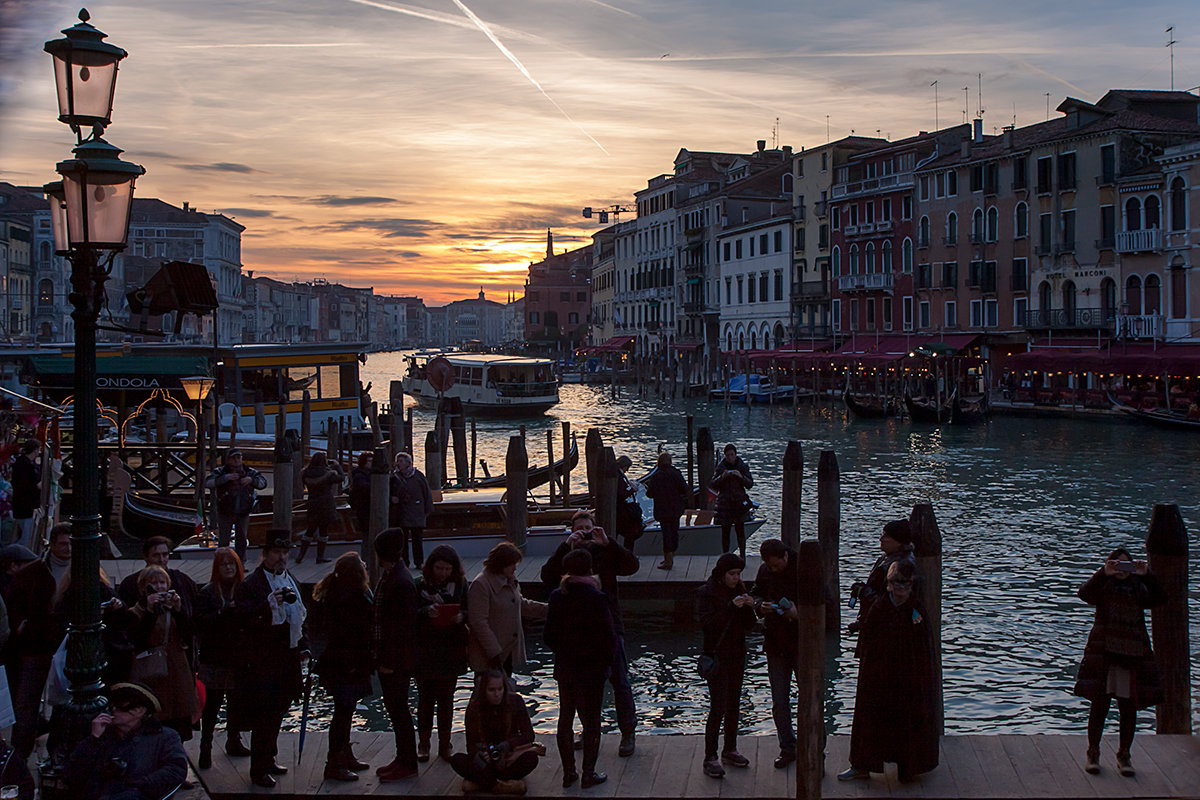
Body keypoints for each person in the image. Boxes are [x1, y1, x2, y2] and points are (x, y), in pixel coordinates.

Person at [540, 510, 639, 757]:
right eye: (579, 528)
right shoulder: (568, 555)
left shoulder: (605, 552)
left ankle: (628, 731)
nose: (583, 532)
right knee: (583, 686)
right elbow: (547, 576)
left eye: (588, 527)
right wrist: (566, 546)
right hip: (577, 631)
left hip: (609, 624)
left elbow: (632, 566)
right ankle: (589, 731)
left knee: (620, 680)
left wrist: (608, 543)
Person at [838, 561, 938, 783]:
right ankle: (862, 765)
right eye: (895, 583)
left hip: (907, 677)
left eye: (905, 584)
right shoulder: (880, 606)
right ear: (889, 585)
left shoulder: (916, 610)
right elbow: (869, 638)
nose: (900, 588)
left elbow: (922, 648)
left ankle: (909, 767)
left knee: (907, 722)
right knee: (870, 720)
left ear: (911, 586)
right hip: (879, 675)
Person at [1072, 547, 1166, 776]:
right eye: (1117, 564)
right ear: (1110, 564)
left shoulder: (1139, 587)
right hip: (1105, 655)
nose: (1122, 570)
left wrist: (1148, 575)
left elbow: (1161, 598)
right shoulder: (1104, 585)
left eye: (1126, 565)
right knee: (1099, 707)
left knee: (1127, 708)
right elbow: (1084, 594)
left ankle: (1124, 755)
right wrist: (1103, 573)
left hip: (1130, 656)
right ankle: (1093, 753)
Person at [232, 530, 307, 789]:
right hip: (262, 661)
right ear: (265, 554)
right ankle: (258, 768)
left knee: (278, 712)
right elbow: (240, 620)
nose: (281, 558)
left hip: (287, 658)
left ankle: (270, 757)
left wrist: (303, 647)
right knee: (263, 715)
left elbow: (299, 619)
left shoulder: (291, 580)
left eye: (285, 553)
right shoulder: (251, 585)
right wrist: (267, 606)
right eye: (276, 553)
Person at [545, 549, 617, 789]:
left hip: (566, 667)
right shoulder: (597, 598)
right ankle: (589, 773)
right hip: (593, 670)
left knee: (565, 718)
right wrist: (607, 662)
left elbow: (548, 636)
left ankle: (569, 773)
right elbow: (609, 638)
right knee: (592, 721)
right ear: (589, 569)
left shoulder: (558, 596)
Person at [5, 523, 70, 757]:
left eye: (72, 543)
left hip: (66, 645)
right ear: (52, 544)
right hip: (36, 645)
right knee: (27, 700)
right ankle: (21, 751)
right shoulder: (31, 573)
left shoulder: (84, 570)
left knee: (65, 702)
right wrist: (21, 626)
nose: (69, 548)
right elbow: (13, 603)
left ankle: (58, 748)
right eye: (63, 543)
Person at [311, 552, 374, 782]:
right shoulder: (351, 597)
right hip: (348, 663)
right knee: (343, 712)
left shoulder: (337, 592)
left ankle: (344, 754)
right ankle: (334, 762)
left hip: (341, 662)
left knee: (345, 711)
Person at [64, 682, 187, 800]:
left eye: (120, 706)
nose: (113, 709)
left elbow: (176, 770)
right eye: (112, 705)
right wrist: (93, 739)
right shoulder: (101, 734)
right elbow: (72, 773)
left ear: (140, 710)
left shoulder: (165, 737)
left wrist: (138, 786)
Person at [696, 552, 757, 779]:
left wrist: (749, 606)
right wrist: (731, 607)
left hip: (737, 654)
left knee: (733, 705)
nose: (735, 578)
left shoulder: (739, 591)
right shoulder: (706, 593)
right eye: (732, 574)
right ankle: (709, 755)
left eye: (738, 574)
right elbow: (707, 624)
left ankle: (730, 749)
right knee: (717, 707)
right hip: (717, 654)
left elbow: (750, 625)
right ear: (722, 574)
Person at [125, 565, 198, 742]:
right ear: (145, 587)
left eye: (162, 582)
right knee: (155, 715)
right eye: (154, 583)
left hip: (176, 671)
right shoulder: (137, 612)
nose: (159, 587)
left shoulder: (172, 610)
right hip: (152, 672)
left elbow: (189, 635)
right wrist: (150, 610)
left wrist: (179, 610)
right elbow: (139, 640)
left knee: (178, 718)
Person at [372, 527, 420, 782]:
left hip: (395, 661)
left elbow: (402, 628)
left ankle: (408, 761)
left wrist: (389, 661)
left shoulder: (399, 582)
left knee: (399, 711)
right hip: (391, 657)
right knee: (396, 710)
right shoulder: (395, 576)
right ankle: (402, 757)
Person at [194, 547, 249, 768]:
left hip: (238, 656)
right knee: (213, 705)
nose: (228, 568)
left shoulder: (244, 590)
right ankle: (205, 746)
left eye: (231, 564)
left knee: (237, 703)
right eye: (224, 564)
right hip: (215, 656)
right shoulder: (208, 593)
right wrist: (223, 613)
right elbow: (199, 624)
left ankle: (233, 740)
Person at [450, 669, 545, 795]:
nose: (497, 694)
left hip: (507, 757)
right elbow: (471, 744)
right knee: (457, 760)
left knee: (531, 759)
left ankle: (482, 784)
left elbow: (528, 735)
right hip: (486, 762)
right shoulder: (474, 708)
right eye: (492, 690)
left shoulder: (516, 701)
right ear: (484, 690)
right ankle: (501, 785)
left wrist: (508, 745)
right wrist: (481, 755)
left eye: (500, 689)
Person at [414, 544, 469, 763]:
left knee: (447, 700)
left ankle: (445, 744)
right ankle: (424, 743)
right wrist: (426, 611)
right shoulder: (418, 585)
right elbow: (410, 613)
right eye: (439, 568)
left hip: (450, 649)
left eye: (447, 569)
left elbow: (468, 609)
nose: (443, 572)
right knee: (425, 700)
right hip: (426, 649)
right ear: (431, 567)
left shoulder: (461, 585)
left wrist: (461, 617)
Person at [753, 538, 804, 769]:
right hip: (775, 642)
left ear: (785, 557)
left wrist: (797, 612)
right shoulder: (765, 571)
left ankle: (815, 747)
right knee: (779, 701)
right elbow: (756, 594)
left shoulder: (804, 568)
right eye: (770, 566)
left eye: (776, 565)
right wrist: (759, 604)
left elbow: (825, 604)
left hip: (802, 643)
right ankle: (787, 747)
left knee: (809, 697)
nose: (773, 570)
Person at [467, 542, 547, 678]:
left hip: (507, 650)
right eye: (512, 564)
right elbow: (478, 622)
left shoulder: (509, 581)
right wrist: (494, 652)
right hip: (491, 654)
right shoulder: (481, 584)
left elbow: (521, 604)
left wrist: (551, 609)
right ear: (501, 564)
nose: (515, 568)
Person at [848, 518, 918, 634]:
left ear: (898, 541)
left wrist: (863, 592)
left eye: (886, 536)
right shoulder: (886, 558)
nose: (881, 539)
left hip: (887, 630)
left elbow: (891, 603)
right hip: (875, 624)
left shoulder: (901, 566)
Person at [117, 536, 198, 620]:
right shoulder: (130, 583)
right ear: (146, 557)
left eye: (165, 554)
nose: (161, 559)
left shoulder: (182, 580)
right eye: (156, 555)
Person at [207, 448, 267, 560]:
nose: (236, 460)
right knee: (224, 540)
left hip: (243, 510)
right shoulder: (220, 471)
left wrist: (251, 480)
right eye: (233, 458)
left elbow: (263, 483)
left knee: (241, 540)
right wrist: (225, 478)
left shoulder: (250, 471)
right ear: (228, 460)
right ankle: (221, 562)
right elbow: (208, 482)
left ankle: (241, 563)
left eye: (238, 457)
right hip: (225, 510)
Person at [642, 450, 690, 570]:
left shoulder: (656, 476)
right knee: (674, 532)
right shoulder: (676, 474)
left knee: (666, 534)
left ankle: (668, 559)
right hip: (675, 509)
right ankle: (671, 556)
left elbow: (649, 494)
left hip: (662, 509)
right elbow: (685, 489)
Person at [299, 451, 344, 564]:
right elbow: (342, 478)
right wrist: (337, 466)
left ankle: (300, 555)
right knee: (323, 530)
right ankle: (320, 557)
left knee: (310, 529)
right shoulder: (328, 474)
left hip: (312, 502)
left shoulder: (305, 473)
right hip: (325, 503)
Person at [390, 451, 434, 567]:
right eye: (397, 461)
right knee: (402, 540)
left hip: (417, 511)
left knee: (417, 539)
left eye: (401, 461)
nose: (398, 464)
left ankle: (418, 562)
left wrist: (428, 509)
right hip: (402, 512)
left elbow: (427, 493)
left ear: (408, 463)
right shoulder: (395, 477)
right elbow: (390, 491)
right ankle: (404, 562)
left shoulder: (418, 476)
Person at [710, 444, 753, 561]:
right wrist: (722, 477)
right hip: (725, 505)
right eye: (727, 455)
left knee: (740, 531)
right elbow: (713, 484)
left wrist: (741, 477)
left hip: (738, 503)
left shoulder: (742, 466)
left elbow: (750, 484)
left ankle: (742, 555)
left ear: (735, 454)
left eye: (731, 455)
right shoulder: (721, 467)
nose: (730, 457)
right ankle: (726, 556)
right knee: (725, 532)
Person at [9, 441, 40, 549]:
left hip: (25, 504)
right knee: (25, 534)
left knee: (26, 531)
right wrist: (36, 486)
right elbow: (22, 485)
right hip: (25, 504)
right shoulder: (24, 464)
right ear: (35, 450)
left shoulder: (25, 463)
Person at [613, 455, 643, 550]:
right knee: (629, 533)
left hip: (618, 510)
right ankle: (627, 553)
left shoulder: (617, 475)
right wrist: (631, 491)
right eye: (627, 467)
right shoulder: (618, 476)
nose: (627, 470)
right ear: (623, 465)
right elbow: (620, 494)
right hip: (620, 511)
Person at [349, 450, 373, 535]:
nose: (371, 463)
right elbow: (364, 487)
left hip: (369, 505)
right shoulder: (359, 475)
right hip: (363, 506)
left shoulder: (370, 473)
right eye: (369, 461)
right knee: (366, 531)